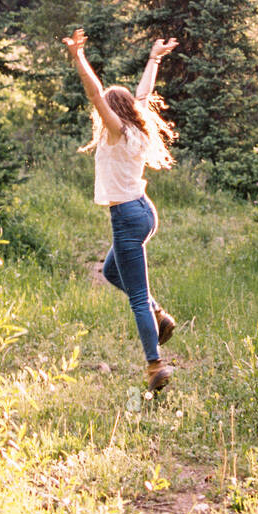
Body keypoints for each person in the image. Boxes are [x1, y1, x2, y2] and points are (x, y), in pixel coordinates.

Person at [62, 27, 179, 391]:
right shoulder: (136, 125)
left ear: (114, 111)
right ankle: (159, 315)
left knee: (137, 298)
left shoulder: (116, 131)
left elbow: (95, 94)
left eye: (105, 110)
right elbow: (144, 92)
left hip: (128, 217)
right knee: (112, 272)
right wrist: (154, 58)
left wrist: (78, 57)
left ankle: (155, 364)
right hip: (142, 213)